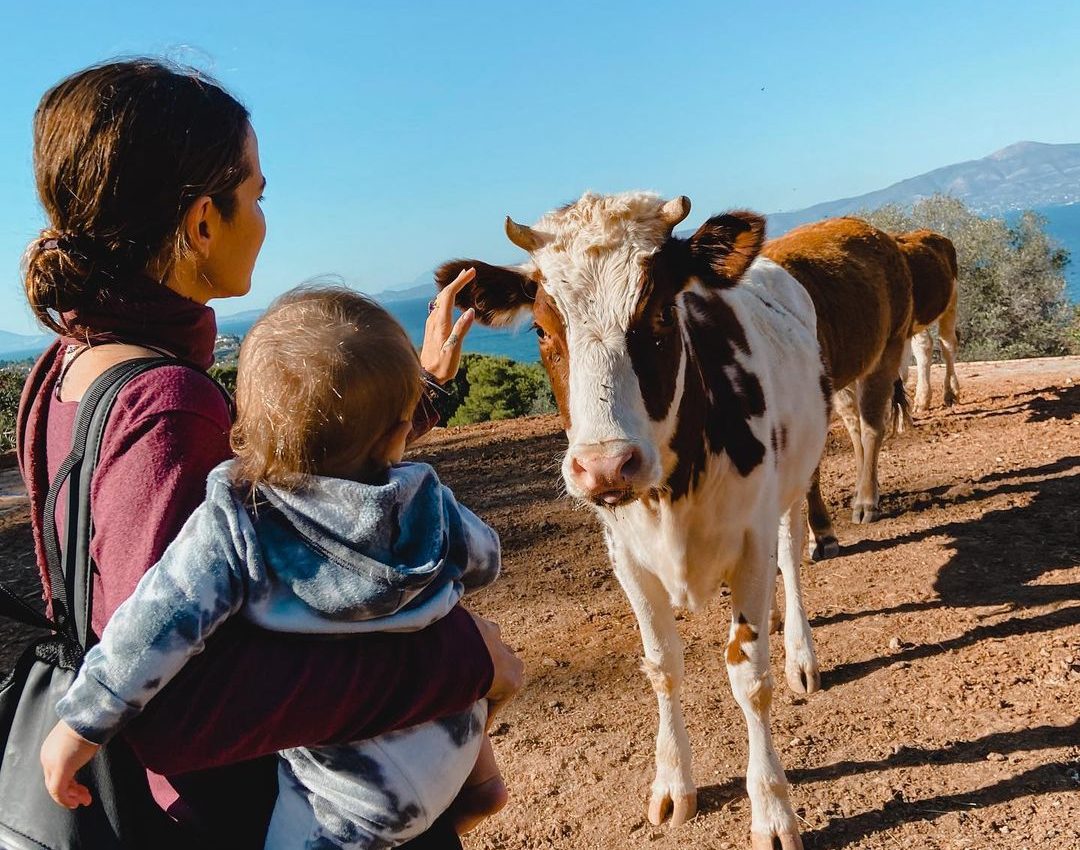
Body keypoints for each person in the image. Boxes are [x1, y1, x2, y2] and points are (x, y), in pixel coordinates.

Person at [18, 58, 522, 848]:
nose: (263, 217)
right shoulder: (166, 406)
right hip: (257, 814)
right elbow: (179, 708)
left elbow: (292, 478)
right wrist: (462, 659)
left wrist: (417, 392)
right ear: (202, 224)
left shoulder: (68, 366)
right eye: (256, 195)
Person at [41, 288, 508, 848]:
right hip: (450, 741)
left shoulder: (240, 521)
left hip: (346, 797)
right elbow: (484, 560)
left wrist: (81, 722)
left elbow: (157, 620)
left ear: (247, 426)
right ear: (397, 433)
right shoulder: (430, 500)